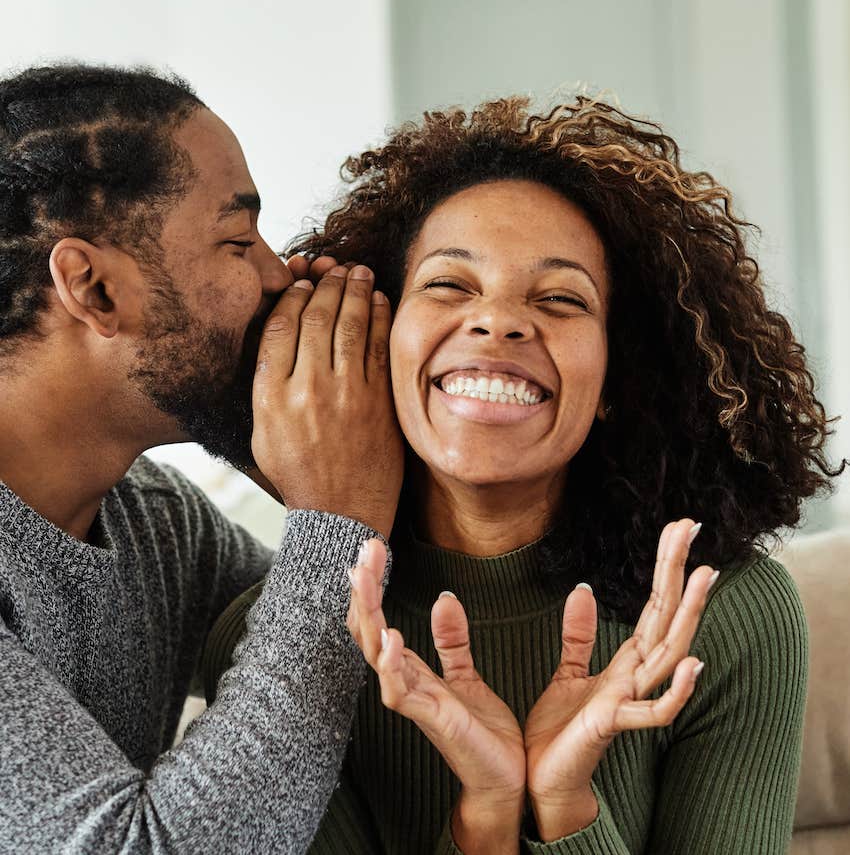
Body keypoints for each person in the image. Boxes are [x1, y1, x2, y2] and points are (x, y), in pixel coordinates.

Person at [205, 96, 845, 854]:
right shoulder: (277, 642)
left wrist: (565, 804)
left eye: (561, 298)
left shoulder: (729, 615)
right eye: (449, 285)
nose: (498, 321)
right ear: (382, 340)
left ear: (614, 381)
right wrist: (486, 813)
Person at [0, 63, 402, 853]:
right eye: (236, 238)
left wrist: (310, 454)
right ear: (94, 288)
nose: (276, 274)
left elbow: (365, 654)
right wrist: (335, 517)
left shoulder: (154, 521)